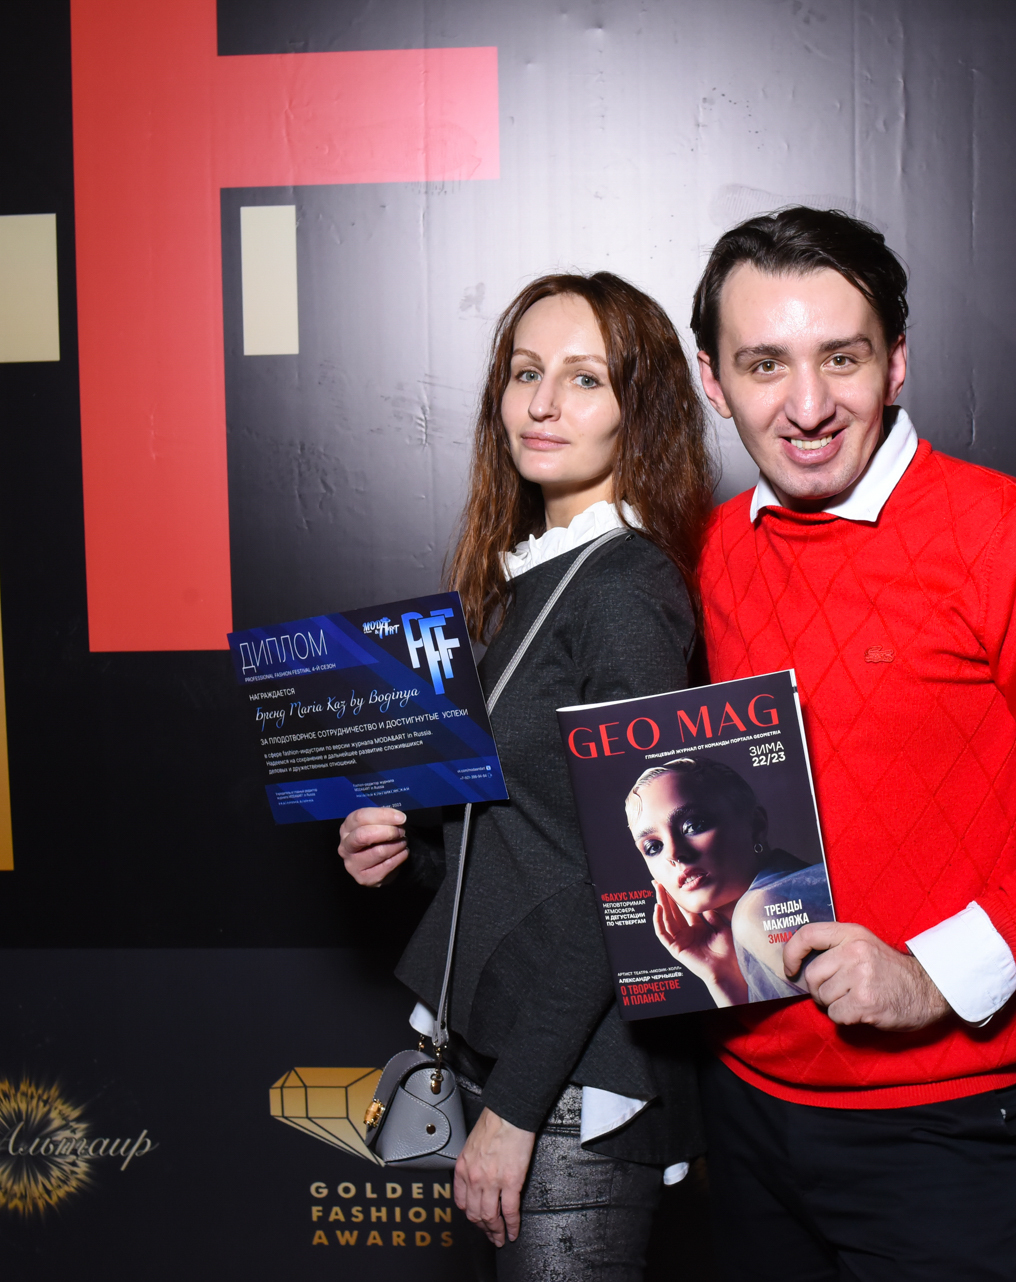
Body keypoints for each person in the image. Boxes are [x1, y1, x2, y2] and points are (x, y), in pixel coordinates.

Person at [688, 207, 1016, 1280]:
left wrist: (931, 977)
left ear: (897, 362)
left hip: (943, 1123)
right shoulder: (709, 552)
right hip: (743, 1102)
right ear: (715, 382)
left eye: (843, 358)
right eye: (765, 364)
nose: (807, 406)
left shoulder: (1014, 539)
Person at [336, 272, 714, 1281]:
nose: (542, 403)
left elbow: (634, 879)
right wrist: (407, 847)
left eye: (585, 379)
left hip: (578, 1084)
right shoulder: (533, 577)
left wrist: (514, 1111)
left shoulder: (623, 591)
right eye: (525, 372)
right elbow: (524, 847)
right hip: (529, 1052)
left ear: (640, 410)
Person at [625, 756, 830, 1008]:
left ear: (756, 826)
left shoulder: (759, 911)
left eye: (693, 825)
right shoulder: (750, 927)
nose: (675, 854)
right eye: (653, 847)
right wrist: (722, 977)